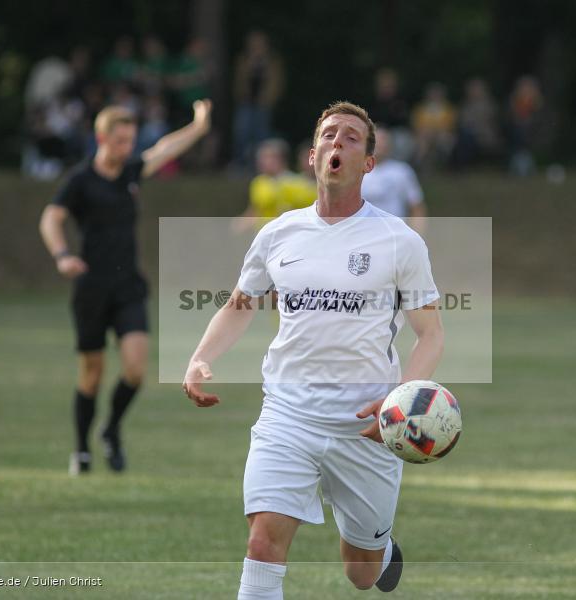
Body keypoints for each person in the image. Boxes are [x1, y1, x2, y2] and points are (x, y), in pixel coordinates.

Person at [183, 101, 444, 597]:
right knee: (262, 543)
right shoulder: (277, 233)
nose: (337, 143)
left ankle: (380, 549)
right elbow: (240, 305)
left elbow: (430, 333)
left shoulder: (399, 240)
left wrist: (400, 399)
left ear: (368, 163)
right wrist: (201, 357)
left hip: (366, 426)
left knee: (361, 574)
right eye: (328, 135)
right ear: (311, 155)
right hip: (288, 414)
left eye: (350, 138)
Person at [39, 99, 212, 475]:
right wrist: (62, 255)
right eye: (119, 140)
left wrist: (198, 126)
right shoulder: (81, 180)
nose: (127, 148)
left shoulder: (131, 172)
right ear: (101, 137)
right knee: (92, 374)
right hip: (91, 288)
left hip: (128, 285)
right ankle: (81, 450)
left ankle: (111, 428)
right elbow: (51, 218)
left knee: (135, 370)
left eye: (130, 140)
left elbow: (163, 149)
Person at [231, 138, 316, 233]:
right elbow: (255, 210)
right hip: (263, 236)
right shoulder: (258, 182)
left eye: (268, 157)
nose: (263, 161)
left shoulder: (295, 183)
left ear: (281, 159)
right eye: (261, 157)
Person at [231, 31, 284, 170]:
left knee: (262, 135)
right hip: (246, 102)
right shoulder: (244, 60)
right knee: (242, 134)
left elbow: (276, 82)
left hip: (263, 104)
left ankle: (261, 166)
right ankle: (241, 164)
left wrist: (270, 99)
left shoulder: (272, 61)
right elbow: (239, 80)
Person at [361, 126, 427, 234]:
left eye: (384, 140)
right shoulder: (358, 172)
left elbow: (416, 207)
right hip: (365, 236)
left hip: (395, 235)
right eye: (377, 140)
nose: (380, 145)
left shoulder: (402, 171)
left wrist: (418, 235)